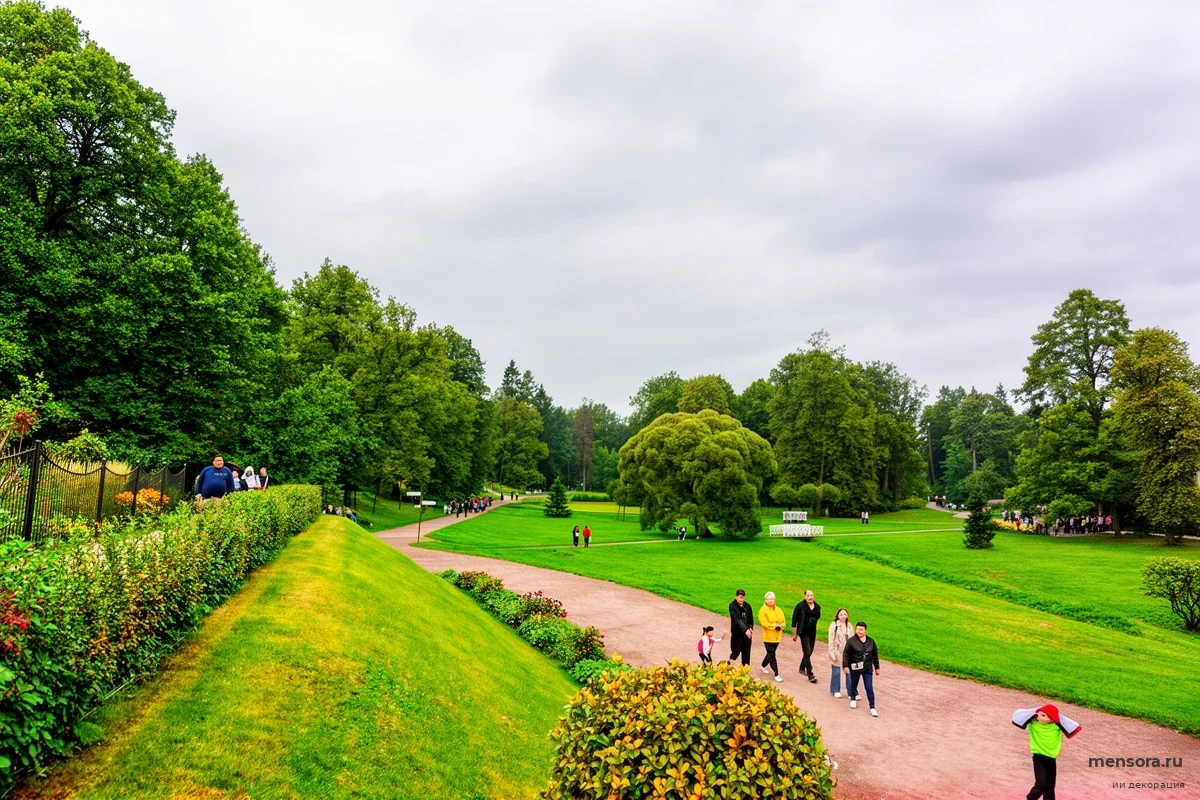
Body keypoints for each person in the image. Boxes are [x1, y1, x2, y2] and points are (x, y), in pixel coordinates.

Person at [1012, 704, 1081, 800]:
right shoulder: (1033, 724)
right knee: (1041, 785)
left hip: (1051, 758)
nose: (1038, 716)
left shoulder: (1057, 726)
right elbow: (1018, 716)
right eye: (1039, 714)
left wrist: (1056, 716)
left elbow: (1073, 725)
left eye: (1043, 715)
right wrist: (1036, 709)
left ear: (1052, 719)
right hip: (1038, 757)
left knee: (1050, 786)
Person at [843, 621, 880, 716]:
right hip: (855, 666)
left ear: (865, 630)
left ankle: (872, 707)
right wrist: (845, 666)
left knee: (869, 687)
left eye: (861, 629)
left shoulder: (871, 641)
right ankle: (853, 698)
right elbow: (846, 654)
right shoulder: (851, 641)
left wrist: (877, 667)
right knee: (853, 683)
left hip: (867, 667)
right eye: (858, 629)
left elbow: (875, 654)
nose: (859, 631)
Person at [791, 590, 821, 683]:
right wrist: (795, 634)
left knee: (810, 651)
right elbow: (794, 621)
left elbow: (817, 618)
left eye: (811, 595)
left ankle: (801, 666)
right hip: (803, 632)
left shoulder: (817, 607)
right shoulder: (800, 606)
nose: (810, 597)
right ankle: (810, 674)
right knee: (807, 652)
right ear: (804, 596)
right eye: (808, 595)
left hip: (812, 632)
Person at [758, 592, 785, 683]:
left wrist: (780, 626)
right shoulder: (763, 610)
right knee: (772, 654)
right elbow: (764, 623)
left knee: (770, 653)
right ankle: (776, 674)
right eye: (768, 599)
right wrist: (774, 626)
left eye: (772, 599)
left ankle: (763, 665)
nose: (770, 601)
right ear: (765, 600)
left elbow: (783, 622)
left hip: (777, 637)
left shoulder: (779, 610)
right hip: (768, 637)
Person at [827, 607, 852, 698]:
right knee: (836, 671)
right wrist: (832, 653)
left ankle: (851, 691)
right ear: (838, 615)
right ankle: (835, 690)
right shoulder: (834, 625)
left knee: (849, 671)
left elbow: (852, 639)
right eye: (841, 614)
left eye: (845, 614)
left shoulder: (849, 626)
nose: (843, 616)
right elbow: (831, 640)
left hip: (847, 652)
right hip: (837, 650)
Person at [728, 589, 754, 666]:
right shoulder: (732, 605)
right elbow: (737, 619)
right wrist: (745, 630)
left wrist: (750, 629)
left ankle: (745, 669)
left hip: (747, 634)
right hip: (737, 633)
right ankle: (728, 667)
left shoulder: (748, 606)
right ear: (736, 597)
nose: (741, 599)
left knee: (746, 653)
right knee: (735, 652)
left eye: (742, 597)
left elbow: (751, 620)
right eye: (739, 597)